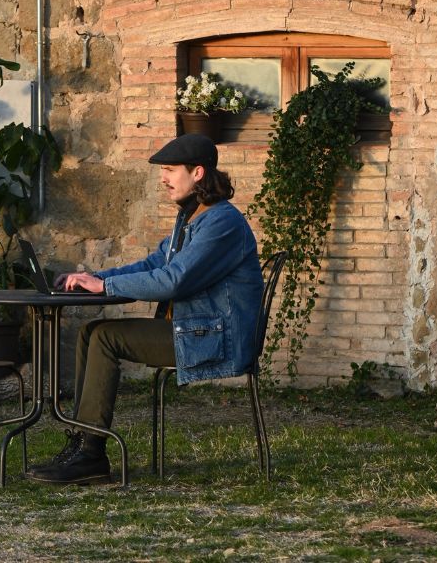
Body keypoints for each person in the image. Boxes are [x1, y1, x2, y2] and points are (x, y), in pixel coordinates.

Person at [27, 133, 264, 484]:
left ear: (198, 173)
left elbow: (173, 280)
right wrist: (95, 277)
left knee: (106, 336)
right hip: (194, 330)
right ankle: (83, 442)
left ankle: (90, 454)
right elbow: (155, 262)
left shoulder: (221, 223)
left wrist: (106, 287)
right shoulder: (192, 216)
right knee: (91, 332)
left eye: (170, 170)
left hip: (217, 339)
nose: (163, 179)